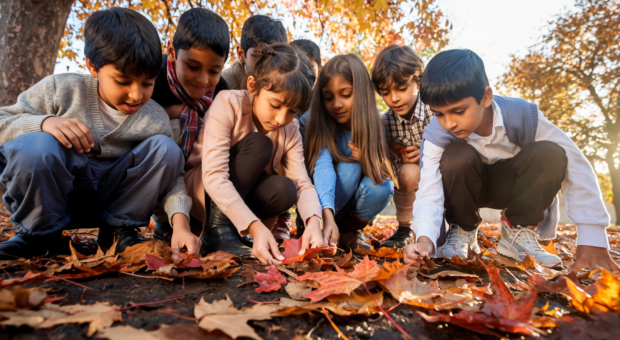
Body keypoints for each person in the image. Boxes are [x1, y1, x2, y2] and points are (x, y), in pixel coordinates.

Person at [404, 49, 619, 273]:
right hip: (467, 189)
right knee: (456, 155)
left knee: (552, 153)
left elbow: (576, 164)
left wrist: (592, 236)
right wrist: (425, 240)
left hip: (517, 187)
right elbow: (429, 188)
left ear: (486, 97)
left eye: (458, 111)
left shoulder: (522, 115)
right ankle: (463, 230)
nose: (449, 123)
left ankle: (518, 230)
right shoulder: (436, 134)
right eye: (439, 113)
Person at [0, 8, 191, 259]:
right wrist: (43, 123)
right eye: (122, 81)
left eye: (147, 83)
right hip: (55, 198)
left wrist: (181, 224)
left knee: (166, 149)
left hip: (113, 202)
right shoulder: (61, 89)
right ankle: (39, 235)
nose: (136, 95)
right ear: (92, 65)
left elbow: (173, 177)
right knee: (37, 146)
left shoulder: (155, 117)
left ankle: (118, 232)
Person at [185, 43, 332, 264]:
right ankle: (216, 231)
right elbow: (214, 176)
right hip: (204, 193)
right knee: (260, 144)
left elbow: (301, 182)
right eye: (275, 105)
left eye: (292, 111)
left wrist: (313, 221)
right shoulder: (228, 103)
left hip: (243, 200)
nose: (282, 119)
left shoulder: (290, 129)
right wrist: (256, 227)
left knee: (286, 188)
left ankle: (234, 231)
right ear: (253, 86)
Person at [149, 8, 229, 249]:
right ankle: (162, 219)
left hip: (196, 167)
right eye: (193, 67)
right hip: (156, 159)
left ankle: (197, 219)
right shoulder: (153, 74)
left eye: (214, 71)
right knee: (171, 129)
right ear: (172, 52)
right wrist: (172, 113)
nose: (203, 80)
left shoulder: (221, 91)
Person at [304, 54, 397, 252]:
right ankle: (324, 229)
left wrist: (366, 158)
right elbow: (323, 169)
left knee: (382, 184)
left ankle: (349, 232)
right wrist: (325, 215)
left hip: (350, 210)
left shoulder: (375, 127)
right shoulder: (321, 125)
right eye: (329, 98)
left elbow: (382, 177)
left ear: (362, 93)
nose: (336, 104)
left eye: (345, 95)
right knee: (351, 165)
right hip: (320, 208)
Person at [371, 44, 432, 249]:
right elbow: (389, 165)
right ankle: (405, 229)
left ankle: (451, 226)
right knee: (407, 172)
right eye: (386, 92)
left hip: (442, 173)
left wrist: (425, 153)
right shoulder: (387, 122)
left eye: (401, 89)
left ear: (418, 82)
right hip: (411, 180)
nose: (394, 98)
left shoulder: (434, 109)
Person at [221, 15, 287, 90]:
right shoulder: (224, 85)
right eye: (257, 55)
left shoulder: (288, 82)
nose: (265, 65)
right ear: (241, 53)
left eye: (273, 57)